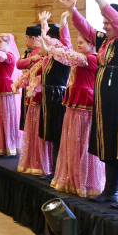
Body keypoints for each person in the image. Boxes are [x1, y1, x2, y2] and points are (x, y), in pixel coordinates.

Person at [63, 0, 118, 209]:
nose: (105, 27)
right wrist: (73, 11)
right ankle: (110, 192)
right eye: (104, 23)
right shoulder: (106, 43)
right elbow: (88, 30)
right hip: (107, 103)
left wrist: (102, 3)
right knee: (110, 144)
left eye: (108, 23)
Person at [45, 25, 105, 198]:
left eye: (81, 42)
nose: (78, 45)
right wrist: (62, 25)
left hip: (85, 104)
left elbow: (66, 53)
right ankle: (71, 178)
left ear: (93, 45)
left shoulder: (93, 59)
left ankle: (86, 181)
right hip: (74, 104)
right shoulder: (82, 58)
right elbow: (66, 49)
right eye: (77, 42)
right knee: (72, 141)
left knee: (83, 141)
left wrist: (50, 44)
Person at [39, 13, 72, 180]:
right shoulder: (50, 57)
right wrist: (44, 24)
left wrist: (46, 23)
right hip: (48, 95)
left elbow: (57, 43)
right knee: (50, 133)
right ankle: (52, 168)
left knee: (57, 133)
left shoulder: (63, 54)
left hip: (57, 95)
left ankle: (56, 169)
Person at [14, 41, 48, 175]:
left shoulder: (49, 62)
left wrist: (34, 88)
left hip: (41, 100)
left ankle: (41, 163)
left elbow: (41, 80)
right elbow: (28, 75)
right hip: (33, 100)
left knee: (39, 132)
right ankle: (32, 161)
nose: (39, 47)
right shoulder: (39, 61)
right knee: (33, 132)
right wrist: (18, 83)